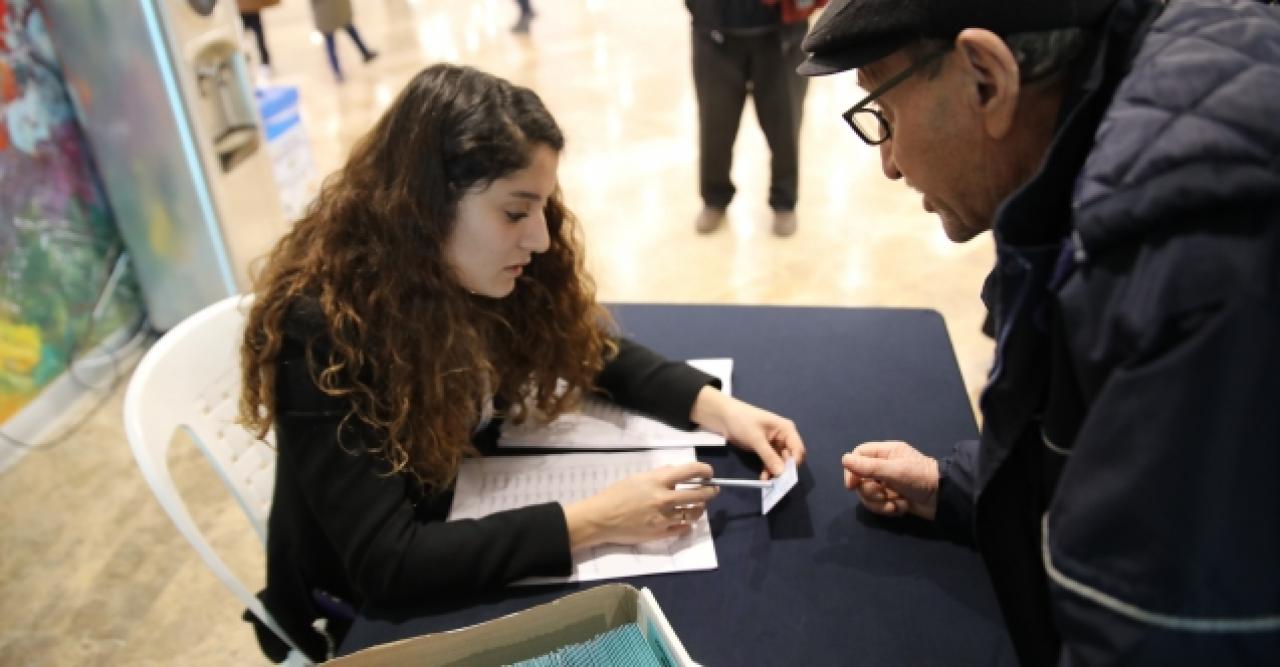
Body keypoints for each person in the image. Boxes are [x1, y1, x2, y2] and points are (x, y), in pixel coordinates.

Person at [238, 63, 806, 663]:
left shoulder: (456, 266)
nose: (538, 239)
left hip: (462, 504)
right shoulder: (324, 329)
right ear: (425, 206)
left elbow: (581, 343)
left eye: (541, 208)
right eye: (515, 213)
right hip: (360, 610)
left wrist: (715, 407)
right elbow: (387, 563)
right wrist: (593, 520)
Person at [798, 0, 1280, 664]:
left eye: (886, 113)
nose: (890, 162)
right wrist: (960, 486)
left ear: (986, 80)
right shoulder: (1123, 123)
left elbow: (1159, 636)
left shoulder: (1189, 254)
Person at [686, 0, 825, 237]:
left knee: (785, 123)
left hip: (782, 34)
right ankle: (715, 197)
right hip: (714, 32)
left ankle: (784, 200)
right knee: (715, 123)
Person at [308, 0, 378, 83]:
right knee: (332, 39)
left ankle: (364, 54)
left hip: (334, 7)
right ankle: (337, 71)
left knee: (347, 29)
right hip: (327, 8)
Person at [237, 0, 278, 79]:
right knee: (246, 35)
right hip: (240, 7)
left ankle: (264, 62)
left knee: (255, 32)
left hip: (246, 6)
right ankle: (260, 63)